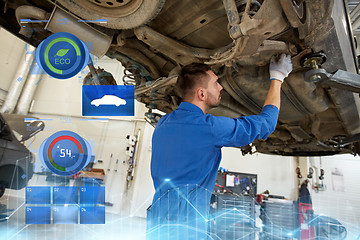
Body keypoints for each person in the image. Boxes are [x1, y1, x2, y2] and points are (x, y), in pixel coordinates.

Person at [146, 54, 293, 239]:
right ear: (201, 94)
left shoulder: (163, 123)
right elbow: (266, 124)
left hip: (158, 218)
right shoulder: (209, 127)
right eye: (216, 83)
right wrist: (277, 76)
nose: (221, 87)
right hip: (185, 226)